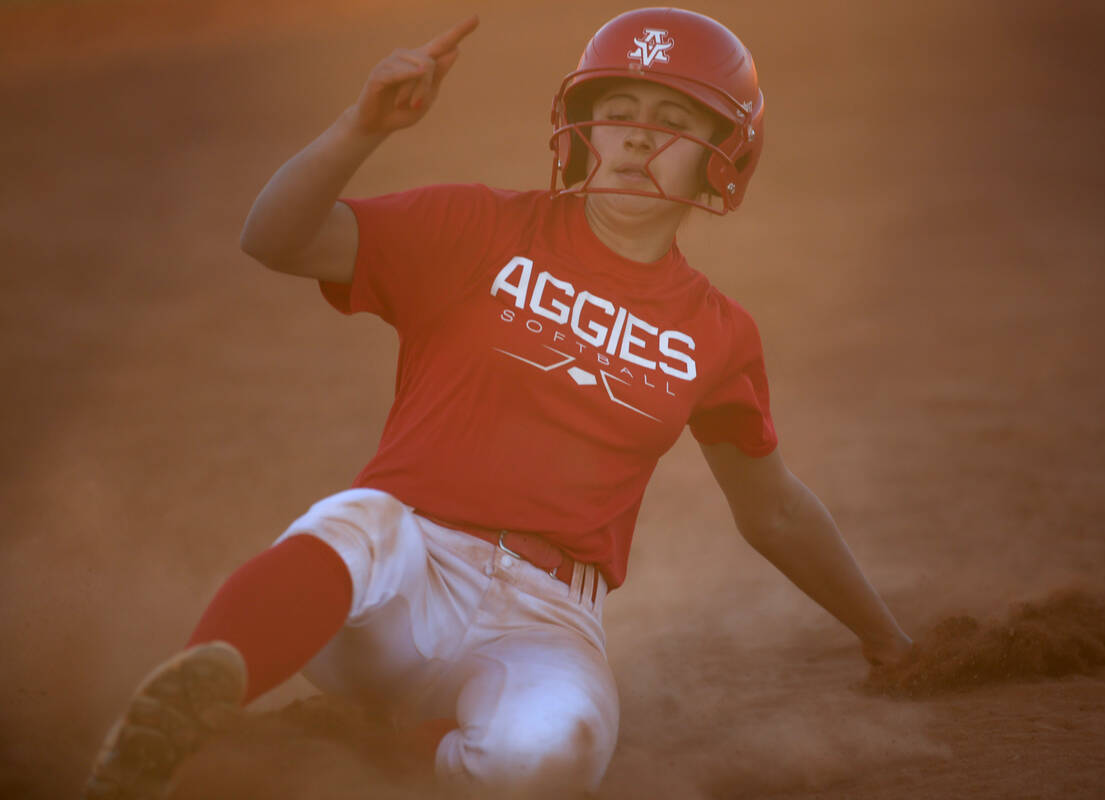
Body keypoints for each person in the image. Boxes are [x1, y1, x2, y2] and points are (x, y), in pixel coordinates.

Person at [83, 8, 912, 799]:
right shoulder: (476, 225)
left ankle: (355, 746)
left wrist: (886, 639)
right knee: (353, 524)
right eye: (616, 108)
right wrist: (362, 128)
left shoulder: (719, 332)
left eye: (675, 119)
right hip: (399, 573)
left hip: (548, 620)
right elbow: (275, 238)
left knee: (553, 758)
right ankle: (171, 729)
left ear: (723, 154)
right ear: (583, 127)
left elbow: (772, 512)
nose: (636, 133)